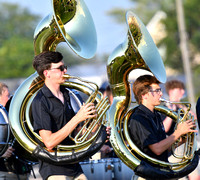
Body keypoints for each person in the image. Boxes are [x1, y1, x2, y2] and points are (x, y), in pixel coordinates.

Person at [31, 51, 110, 180]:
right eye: (60, 68)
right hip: (55, 169)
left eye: (65, 67)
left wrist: (98, 134)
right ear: (47, 73)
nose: (65, 71)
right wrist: (77, 118)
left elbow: (77, 133)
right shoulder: (40, 101)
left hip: (74, 166)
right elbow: (49, 142)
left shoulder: (67, 94)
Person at [128, 75, 197, 178]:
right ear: (144, 95)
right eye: (157, 91)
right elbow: (157, 149)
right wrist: (178, 132)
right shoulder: (138, 118)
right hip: (148, 175)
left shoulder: (155, 114)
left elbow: (163, 149)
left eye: (160, 90)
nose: (161, 94)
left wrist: (181, 140)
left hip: (162, 172)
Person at [0, 82, 30, 180]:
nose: (10, 98)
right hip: (5, 172)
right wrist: (1, 153)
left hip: (21, 171)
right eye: (7, 96)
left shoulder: (12, 116)